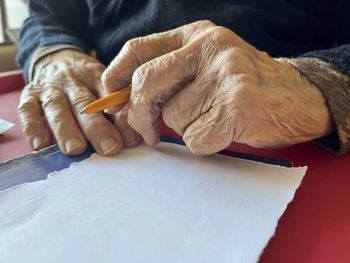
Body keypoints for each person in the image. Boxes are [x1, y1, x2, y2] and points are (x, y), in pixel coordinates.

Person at [16, 0, 350, 156]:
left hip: (281, 134)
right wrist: (52, 53)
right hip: (114, 121)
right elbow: (48, 13)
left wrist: (317, 85)